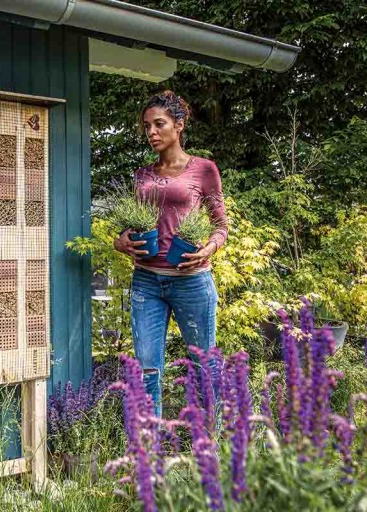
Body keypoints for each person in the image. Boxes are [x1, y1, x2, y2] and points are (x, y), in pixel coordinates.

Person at [113, 90, 229, 417]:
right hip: (147, 282)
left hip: (192, 282)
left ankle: (210, 444)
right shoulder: (143, 175)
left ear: (178, 126)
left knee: (203, 364)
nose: (151, 132)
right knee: (147, 367)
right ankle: (147, 447)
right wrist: (121, 241)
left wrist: (208, 247)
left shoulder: (204, 170)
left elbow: (221, 226)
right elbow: (131, 227)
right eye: (146, 126)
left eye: (158, 124)